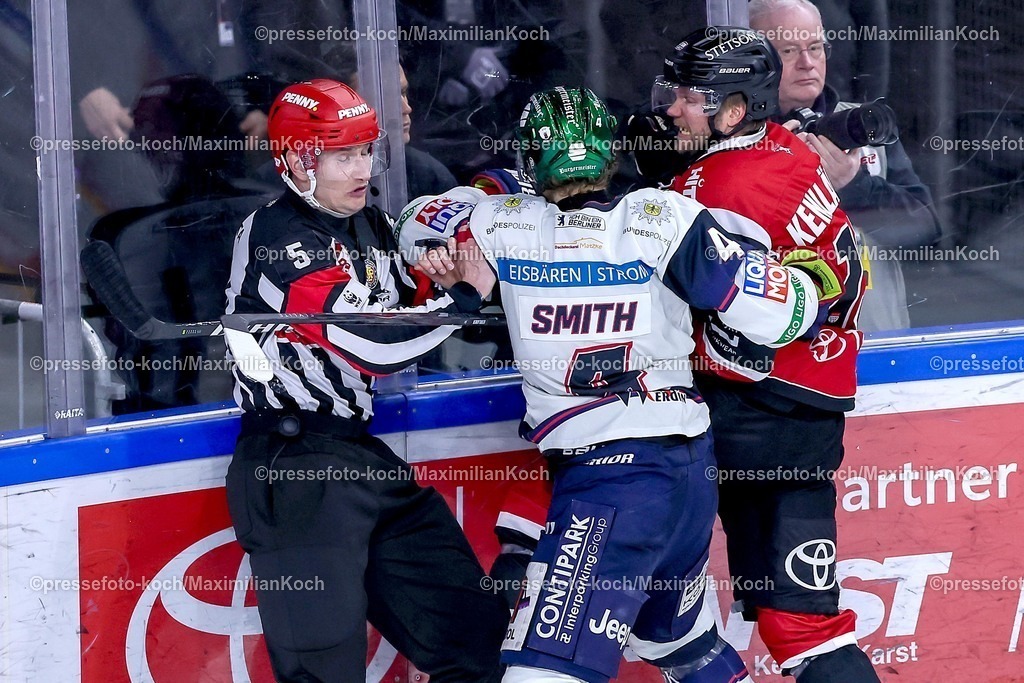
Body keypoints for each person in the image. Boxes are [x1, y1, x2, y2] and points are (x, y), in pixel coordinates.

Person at [407, 85, 843, 683]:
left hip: (609, 486)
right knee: (680, 647)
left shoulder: (500, 225)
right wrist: (804, 283)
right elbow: (783, 313)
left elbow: (413, 225)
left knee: (543, 671)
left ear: (531, 160)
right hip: (687, 473)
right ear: (610, 154)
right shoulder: (661, 217)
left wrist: (474, 215)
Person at [222, 78, 507, 682]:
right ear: (297, 158)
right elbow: (372, 342)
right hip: (293, 468)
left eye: (364, 151)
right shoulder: (280, 239)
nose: (360, 168)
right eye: (341, 155)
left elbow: (406, 304)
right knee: (326, 671)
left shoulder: (369, 225)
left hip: (357, 456)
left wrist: (436, 276)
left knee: (471, 633)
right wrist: (457, 300)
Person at [652, 27, 878, 682]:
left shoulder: (718, 194)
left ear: (731, 111)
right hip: (810, 408)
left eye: (689, 98)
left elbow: (740, 328)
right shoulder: (782, 148)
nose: (673, 110)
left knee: (637, 583)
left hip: (758, 419)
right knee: (801, 623)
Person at [749, 0, 941, 331]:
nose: (808, 63)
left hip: (877, 346)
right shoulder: (736, 137)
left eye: (815, 47)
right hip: (779, 358)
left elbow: (926, 233)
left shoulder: (865, 125)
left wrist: (853, 185)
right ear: (756, 60)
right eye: (790, 51)